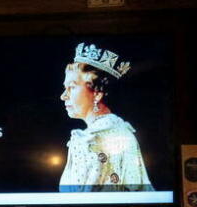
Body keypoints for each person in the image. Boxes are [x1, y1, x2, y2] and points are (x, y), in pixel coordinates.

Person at [58, 43, 153, 192]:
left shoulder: (93, 139)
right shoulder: (116, 130)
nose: (63, 96)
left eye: (72, 87)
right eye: (65, 88)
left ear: (97, 93)